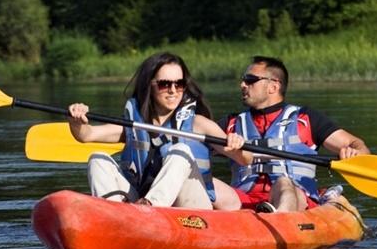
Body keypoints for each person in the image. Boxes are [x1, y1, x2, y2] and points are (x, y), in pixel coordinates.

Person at [67, 52, 250, 210]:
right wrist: (76, 120)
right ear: (150, 85)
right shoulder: (135, 125)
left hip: (191, 206)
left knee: (180, 151)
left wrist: (236, 145)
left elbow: (244, 159)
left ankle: (148, 207)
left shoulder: (199, 124)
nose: (173, 90)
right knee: (98, 158)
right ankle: (111, 214)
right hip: (141, 204)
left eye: (179, 84)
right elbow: (86, 135)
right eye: (164, 84)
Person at [212, 56, 370, 212]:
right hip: (241, 200)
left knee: (284, 183)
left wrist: (355, 153)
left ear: (273, 87)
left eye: (250, 80)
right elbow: (195, 148)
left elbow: (356, 144)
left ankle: (279, 220)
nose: (243, 84)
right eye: (243, 80)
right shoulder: (230, 123)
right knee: (203, 183)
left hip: (296, 198)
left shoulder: (306, 118)